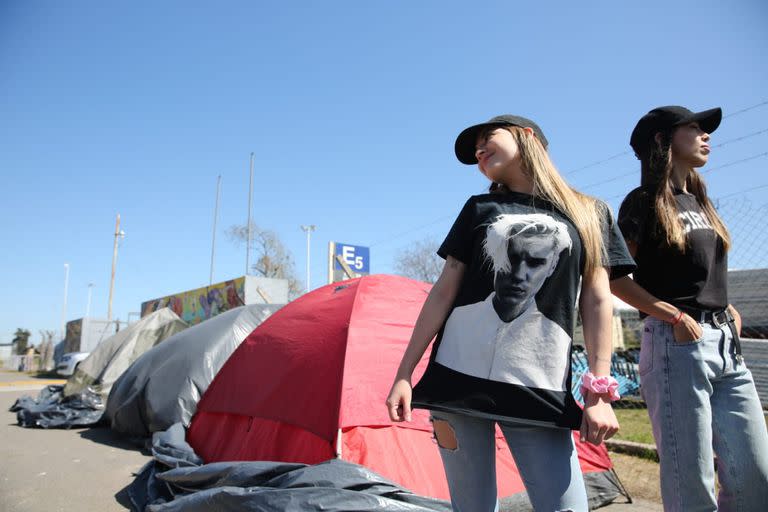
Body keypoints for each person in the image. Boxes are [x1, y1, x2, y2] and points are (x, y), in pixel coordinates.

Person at [386, 115, 635, 512]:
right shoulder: (479, 209)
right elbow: (444, 290)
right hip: (456, 387)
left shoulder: (591, 212)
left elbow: (598, 300)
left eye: (488, 138)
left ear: (526, 137)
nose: (479, 151)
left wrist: (598, 392)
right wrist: (404, 372)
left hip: (540, 388)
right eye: (475, 151)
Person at [611, 105, 768, 512]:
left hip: (726, 348)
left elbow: (699, 275)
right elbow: (615, 278)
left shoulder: (699, 201)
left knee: (755, 476)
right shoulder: (641, 202)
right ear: (662, 141)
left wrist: (726, 306)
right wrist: (673, 315)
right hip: (675, 345)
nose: (705, 136)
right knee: (689, 481)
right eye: (694, 128)